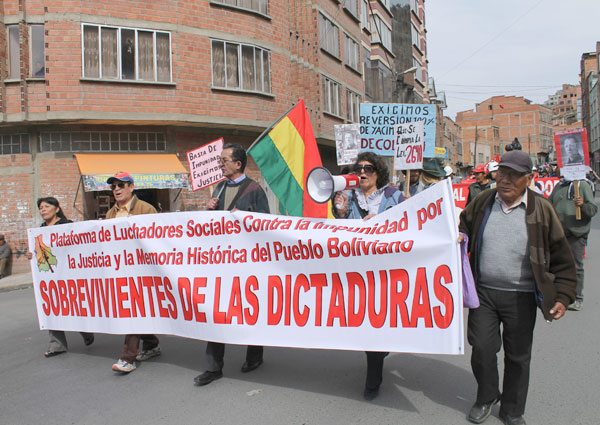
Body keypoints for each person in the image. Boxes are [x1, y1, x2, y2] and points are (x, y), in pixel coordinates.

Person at [460, 150, 576, 425]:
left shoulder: (541, 209)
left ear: (529, 178)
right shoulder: (484, 201)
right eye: (502, 173)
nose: (505, 180)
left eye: (513, 175)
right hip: (484, 293)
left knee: (518, 356)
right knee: (482, 348)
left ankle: (512, 409)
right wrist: (460, 236)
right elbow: (463, 225)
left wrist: (564, 295)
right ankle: (487, 396)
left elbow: (562, 255)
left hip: (521, 296)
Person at [194, 143, 270, 386]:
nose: (220, 164)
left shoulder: (254, 190)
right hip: (220, 263)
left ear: (238, 164)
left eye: (224, 160)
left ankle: (255, 355)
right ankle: (213, 367)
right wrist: (209, 211)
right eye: (220, 160)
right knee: (215, 311)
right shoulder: (219, 188)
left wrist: (245, 218)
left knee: (250, 310)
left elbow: (265, 226)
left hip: (246, 265)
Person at [333, 152, 405, 401]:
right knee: (366, 325)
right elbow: (340, 233)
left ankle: (373, 380)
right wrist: (341, 212)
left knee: (377, 323)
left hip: (386, 272)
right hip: (359, 272)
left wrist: (383, 222)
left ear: (378, 173)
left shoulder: (393, 196)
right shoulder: (348, 197)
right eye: (359, 168)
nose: (363, 172)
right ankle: (378, 350)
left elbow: (407, 225)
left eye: (369, 168)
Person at [26, 197, 94, 357]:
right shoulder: (40, 231)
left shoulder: (67, 226)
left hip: (69, 275)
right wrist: (32, 254)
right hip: (50, 277)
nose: (43, 209)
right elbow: (40, 252)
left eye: (46, 206)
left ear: (56, 209)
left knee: (72, 306)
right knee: (52, 308)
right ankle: (57, 345)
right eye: (40, 207)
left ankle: (85, 331)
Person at [106, 172, 160, 373]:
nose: (116, 189)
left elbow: (156, 237)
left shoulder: (146, 209)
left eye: (121, 185)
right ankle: (151, 343)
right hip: (121, 269)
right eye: (113, 186)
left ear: (131, 187)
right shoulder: (110, 214)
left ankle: (128, 358)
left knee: (133, 310)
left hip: (142, 269)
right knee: (134, 309)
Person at [549, 176, 597, 311]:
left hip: (576, 233)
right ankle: (560, 296)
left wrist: (582, 205)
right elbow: (549, 204)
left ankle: (577, 298)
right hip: (559, 232)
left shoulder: (583, 185)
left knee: (576, 267)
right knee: (557, 265)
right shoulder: (559, 185)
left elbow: (592, 209)